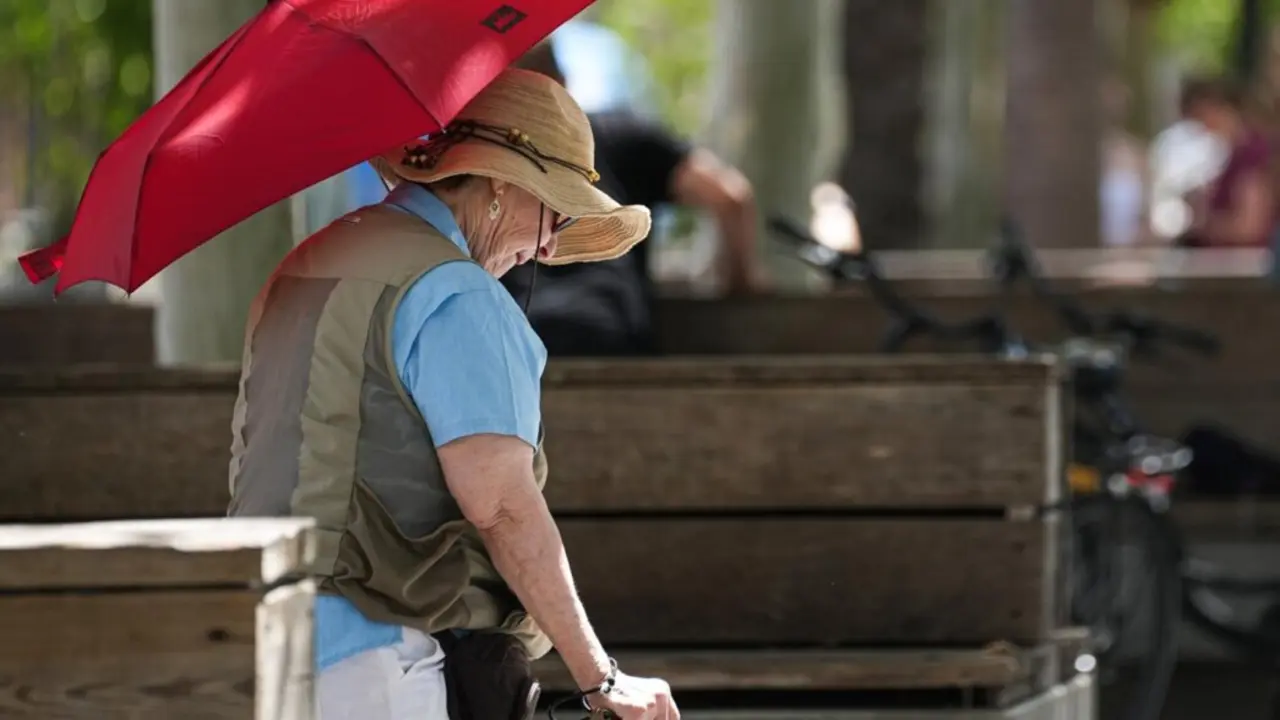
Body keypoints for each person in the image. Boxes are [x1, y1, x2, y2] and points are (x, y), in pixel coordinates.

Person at [227, 69, 680, 720]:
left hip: (258, 639)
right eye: (553, 208)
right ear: (500, 181)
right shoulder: (456, 292)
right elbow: (501, 508)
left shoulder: (305, 265)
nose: (549, 243)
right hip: (377, 665)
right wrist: (601, 678)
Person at [501, 41, 762, 356]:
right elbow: (730, 198)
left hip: (518, 341)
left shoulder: (481, 164)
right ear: (563, 83)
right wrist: (740, 283)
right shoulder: (620, 134)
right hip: (612, 336)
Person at [1178, 76, 1276, 248]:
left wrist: (1204, 225)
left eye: (1201, 115)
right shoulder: (1235, 156)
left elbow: (1249, 227)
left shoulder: (1252, 154)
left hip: (1245, 266)